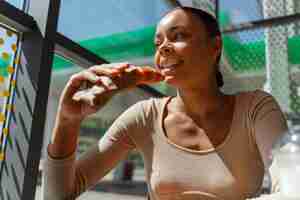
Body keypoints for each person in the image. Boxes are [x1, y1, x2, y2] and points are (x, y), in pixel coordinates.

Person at [42, 0, 287, 199]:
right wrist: (67, 120)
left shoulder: (255, 108)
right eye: (158, 42)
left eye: (178, 36)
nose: (163, 48)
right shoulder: (144, 116)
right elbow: (58, 195)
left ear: (215, 47)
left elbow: (291, 188)